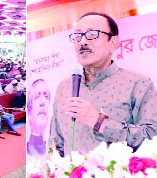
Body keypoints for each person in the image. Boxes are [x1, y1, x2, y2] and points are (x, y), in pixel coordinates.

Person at [51, 12, 157, 156]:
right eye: (77, 36)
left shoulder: (138, 83)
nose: (82, 42)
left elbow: (151, 137)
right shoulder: (64, 88)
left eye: (92, 34)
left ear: (113, 43)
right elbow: (55, 144)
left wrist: (98, 121)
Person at [26, 79, 50, 158]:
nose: (42, 102)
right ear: (29, 111)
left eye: (46, 97)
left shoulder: (54, 147)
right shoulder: (28, 152)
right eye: (37, 97)